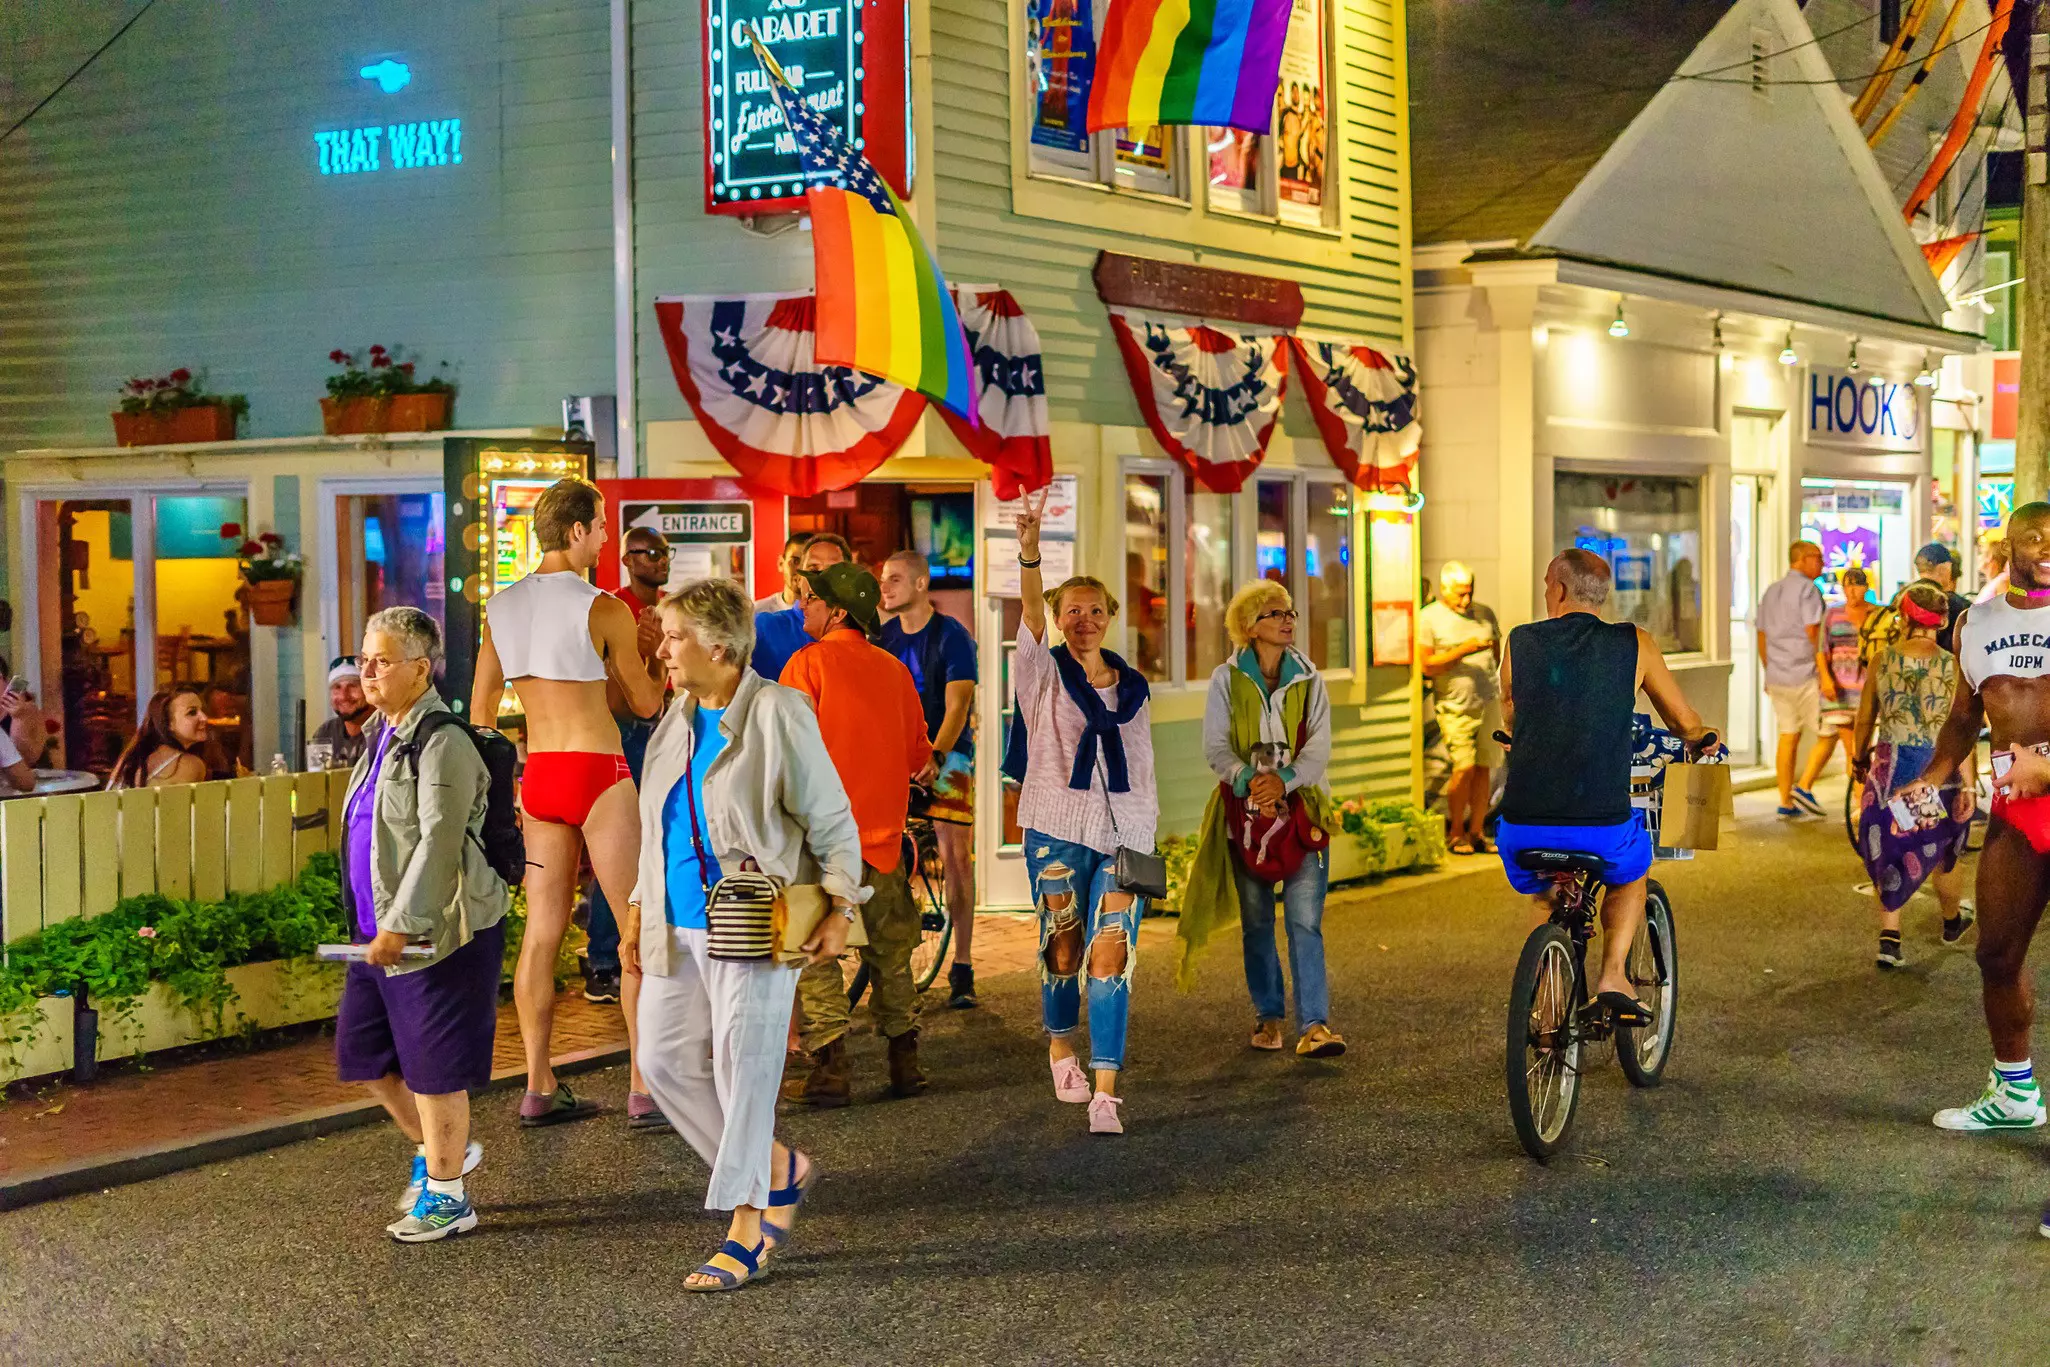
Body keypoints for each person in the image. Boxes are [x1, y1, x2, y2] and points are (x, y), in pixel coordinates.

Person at [628, 578, 863, 1292]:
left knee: (744, 1069)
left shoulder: (778, 710)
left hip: (756, 918)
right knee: (665, 1061)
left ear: (720, 647)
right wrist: (641, 904)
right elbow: (658, 821)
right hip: (677, 918)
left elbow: (831, 818)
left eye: (674, 637)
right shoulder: (677, 714)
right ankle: (773, 1167)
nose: (662, 649)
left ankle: (747, 1227)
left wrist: (841, 903)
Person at [469, 478, 666, 1126]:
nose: (607, 537)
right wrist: (653, 650)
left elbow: (479, 713)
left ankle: (538, 1082)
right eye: (603, 526)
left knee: (542, 933)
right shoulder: (604, 607)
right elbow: (646, 704)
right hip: (599, 771)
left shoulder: (501, 606)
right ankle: (643, 1085)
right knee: (634, 923)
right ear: (577, 529)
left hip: (543, 775)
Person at [334, 608, 508, 1243]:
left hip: (436, 933)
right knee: (367, 1055)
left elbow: (438, 841)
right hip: (376, 932)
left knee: (434, 1067)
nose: (367, 671)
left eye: (382, 660)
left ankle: (448, 1194)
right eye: (363, 657)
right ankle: (444, 1155)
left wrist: (404, 922)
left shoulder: (443, 740)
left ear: (420, 667)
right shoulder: (384, 733)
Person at [1496, 550, 1717, 1022]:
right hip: (1599, 823)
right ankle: (1613, 974)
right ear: (1601, 595)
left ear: (1556, 590)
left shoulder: (1518, 641)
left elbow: (1512, 714)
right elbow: (1681, 719)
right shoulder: (1635, 643)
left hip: (1521, 826)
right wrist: (1703, 739)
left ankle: (1548, 1004)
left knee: (1545, 891)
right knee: (1632, 871)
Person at [1897, 504, 2050, 1160]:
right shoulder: (1976, 623)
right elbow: (1965, 718)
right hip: (2017, 810)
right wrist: (1932, 776)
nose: (2045, 548)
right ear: (2008, 546)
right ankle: (2014, 1090)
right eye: (2033, 538)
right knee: (1996, 953)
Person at [1008, 486, 1157, 1135]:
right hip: (1056, 828)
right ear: (1059, 617)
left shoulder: (1134, 690)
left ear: (1110, 617)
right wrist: (1032, 552)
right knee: (1065, 945)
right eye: (1074, 610)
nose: (1085, 620)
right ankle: (1060, 1044)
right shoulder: (1041, 673)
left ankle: (1106, 1090)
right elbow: (1032, 623)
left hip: (1123, 834)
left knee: (1110, 952)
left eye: (1096, 610)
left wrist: (1145, 836)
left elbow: (1144, 770)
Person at [781, 560, 932, 1105]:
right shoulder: (894, 669)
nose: (803, 606)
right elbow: (921, 754)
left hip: (822, 844)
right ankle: (904, 1066)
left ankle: (831, 1071)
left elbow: (786, 752)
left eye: (811, 599)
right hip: (886, 842)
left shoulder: (806, 665)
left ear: (837, 611)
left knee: (816, 954)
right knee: (891, 956)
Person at [1181, 579, 1343, 1058]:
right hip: (1244, 818)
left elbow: (1319, 748)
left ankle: (1314, 1025)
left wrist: (1284, 780)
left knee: (1305, 922)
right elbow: (1215, 746)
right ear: (1250, 627)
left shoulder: (1309, 677)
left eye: (1290, 612)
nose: (1288, 619)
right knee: (1256, 922)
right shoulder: (1225, 679)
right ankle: (1269, 1016)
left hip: (1303, 814)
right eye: (1276, 614)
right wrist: (1251, 780)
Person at [576, 523, 672, 1126]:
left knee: (636, 858)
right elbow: (632, 698)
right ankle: (608, 960)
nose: (654, 560)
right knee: (627, 861)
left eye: (661, 552)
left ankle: (617, 957)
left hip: (621, 740)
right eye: (643, 552)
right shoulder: (618, 610)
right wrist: (653, 667)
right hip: (628, 737)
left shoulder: (657, 610)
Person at [1849, 581, 1973, 970]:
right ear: (1940, 621)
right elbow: (1962, 728)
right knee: (1942, 852)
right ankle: (1952, 920)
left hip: (1892, 769)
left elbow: (1865, 718)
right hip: (1940, 769)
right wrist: (1968, 783)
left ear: (1904, 616)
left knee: (1890, 846)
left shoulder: (1882, 660)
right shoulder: (1954, 665)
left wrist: (1857, 759)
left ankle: (1890, 937)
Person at [877, 549, 981, 1009]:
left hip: (949, 755)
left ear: (921, 584)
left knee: (955, 853)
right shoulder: (884, 638)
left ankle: (962, 964)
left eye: (895, 579)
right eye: (883, 579)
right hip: (899, 757)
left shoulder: (951, 636)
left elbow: (957, 704)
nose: (886, 587)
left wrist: (936, 753)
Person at [1417, 562, 1501, 854]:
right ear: (1444, 590)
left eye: (1470, 593)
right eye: (1460, 595)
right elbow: (1426, 664)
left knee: (1483, 768)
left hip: (1488, 700)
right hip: (1455, 705)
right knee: (1462, 767)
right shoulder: (1429, 618)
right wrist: (1464, 649)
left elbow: (1496, 652)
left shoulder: (1485, 613)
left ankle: (1477, 832)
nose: (1466, 600)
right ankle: (1455, 833)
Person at [1757, 540, 1831, 819]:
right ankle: (1804, 785)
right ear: (1801, 559)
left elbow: (1761, 634)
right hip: (1805, 673)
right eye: (1817, 558)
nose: (1822, 564)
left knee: (1788, 734)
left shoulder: (1771, 590)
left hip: (1777, 676)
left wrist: (1769, 667)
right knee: (1830, 731)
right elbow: (1814, 631)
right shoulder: (1808, 590)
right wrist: (1825, 671)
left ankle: (1785, 800)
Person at [1796, 566, 1877, 797]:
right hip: (1839, 690)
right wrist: (1826, 679)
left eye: (1857, 585)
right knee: (1853, 747)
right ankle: (1861, 802)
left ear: (1866, 587)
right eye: (1848, 586)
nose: (1852, 591)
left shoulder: (1877, 613)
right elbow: (1821, 650)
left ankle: (1860, 802)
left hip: (1865, 688)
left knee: (1860, 747)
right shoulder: (1832, 614)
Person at [751, 533, 850, 683]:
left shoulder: (866, 634)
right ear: (800, 579)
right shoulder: (762, 628)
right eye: (813, 568)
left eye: (833, 569)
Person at [107, 688, 217, 790]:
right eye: (192, 712)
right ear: (168, 723)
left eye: (202, 710)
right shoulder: (190, 765)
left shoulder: (131, 757)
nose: (204, 718)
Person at [310, 657, 374, 768]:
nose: (344, 696)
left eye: (353, 686)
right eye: (337, 687)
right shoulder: (325, 733)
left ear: (369, 688)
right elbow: (315, 778)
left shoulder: (384, 729)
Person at [1909, 542, 1972, 654]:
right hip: (1947, 668)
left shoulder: (1902, 598)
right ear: (1944, 568)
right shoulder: (1958, 605)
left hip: (1906, 665)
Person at [754, 532, 808, 613]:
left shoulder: (828, 615)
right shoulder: (757, 612)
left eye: (808, 563)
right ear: (781, 563)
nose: (801, 569)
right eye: (795, 561)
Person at [1978, 528, 2011, 604]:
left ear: (1990, 558)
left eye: (1983, 553)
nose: (1979, 557)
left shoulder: (2002, 582)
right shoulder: (1996, 582)